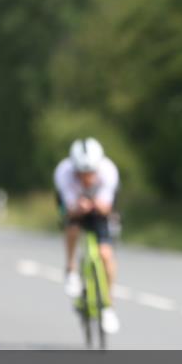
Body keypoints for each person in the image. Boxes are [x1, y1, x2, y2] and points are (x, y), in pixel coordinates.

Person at [53, 138, 120, 334]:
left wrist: (97, 205)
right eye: (81, 173)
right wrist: (78, 208)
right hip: (74, 208)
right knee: (72, 228)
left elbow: (107, 207)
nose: (86, 178)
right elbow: (68, 211)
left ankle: (108, 306)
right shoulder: (64, 173)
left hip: (100, 209)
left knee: (106, 254)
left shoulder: (108, 172)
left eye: (90, 173)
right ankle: (71, 268)